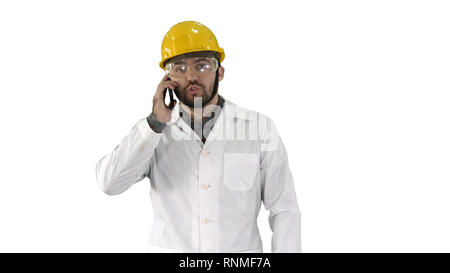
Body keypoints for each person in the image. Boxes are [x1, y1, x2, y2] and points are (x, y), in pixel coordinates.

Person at [95, 21, 301, 253]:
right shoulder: (153, 133)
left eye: (202, 65)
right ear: (167, 77)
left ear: (220, 72)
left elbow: (284, 209)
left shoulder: (258, 128)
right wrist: (154, 123)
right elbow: (109, 183)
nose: (191, 76)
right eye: (179, 68)